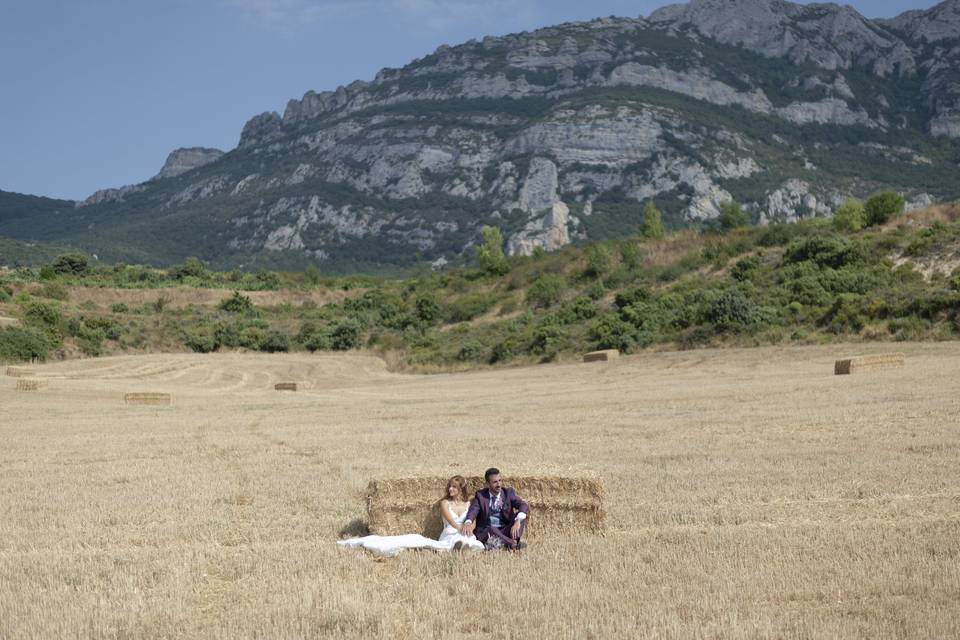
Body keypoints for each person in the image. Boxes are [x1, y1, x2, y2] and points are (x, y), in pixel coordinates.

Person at [337, 475, 484, 557]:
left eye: (454, 487)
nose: (450, 489)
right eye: (450, 486)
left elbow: (473, 521)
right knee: (454, 540)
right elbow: (451, 521)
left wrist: (469, 528)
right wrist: (460, 528)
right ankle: (457, 547)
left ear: (461, 489)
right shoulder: (445, 503)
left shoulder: (469, 504)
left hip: (466, 533)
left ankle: (462, 546)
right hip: (450, 532)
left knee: (473, 543)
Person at [460, 468, 529, 550]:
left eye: (500, 480)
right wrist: (468, 522)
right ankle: (513, 544)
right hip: (488, 531)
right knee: (491, 528)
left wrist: (517, 521)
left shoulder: (508, 493)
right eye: (495, 482)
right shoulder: (480, 496)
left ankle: (505, 542)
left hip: (505, 530)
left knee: (520, 515)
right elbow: (473, 510)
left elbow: (523, 505)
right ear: (487, 484)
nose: (499, 484)